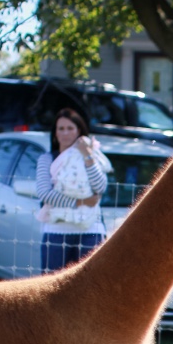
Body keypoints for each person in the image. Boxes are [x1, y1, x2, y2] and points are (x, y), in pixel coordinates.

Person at [35, 108, 110, 273]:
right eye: (61, 128)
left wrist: (87, 156)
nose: (65, 133)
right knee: (53, 283)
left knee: (90, 283)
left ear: (79, 131)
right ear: (55, 133)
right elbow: (44, 193)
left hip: (90, 231)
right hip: (57, 231)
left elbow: (100, 187)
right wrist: (80, 202)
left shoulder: (94, 156)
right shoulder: (47, 159)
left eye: (70, 128)